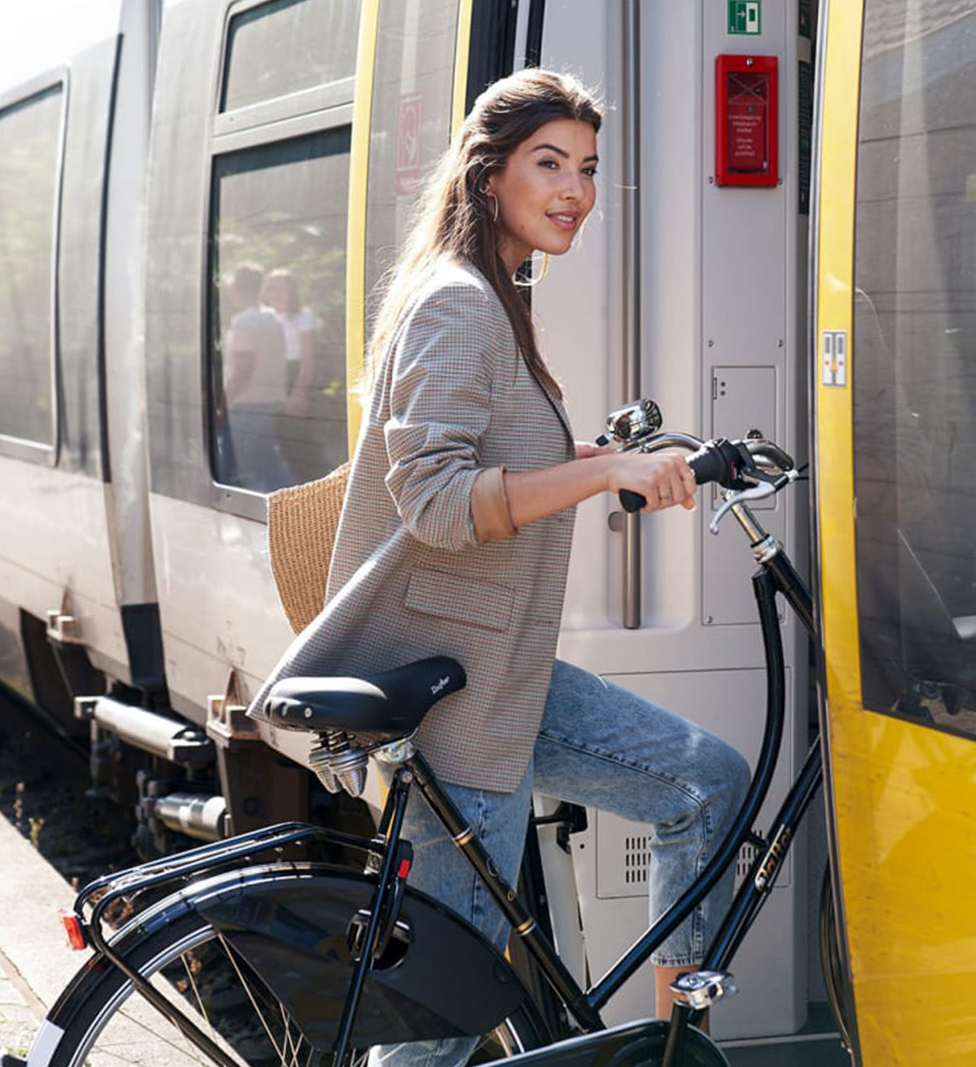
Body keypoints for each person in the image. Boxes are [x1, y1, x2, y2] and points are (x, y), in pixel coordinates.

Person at [249, 69, 750, 1064]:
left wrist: (610, 464)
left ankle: (667, 1048)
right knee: (439, 1022)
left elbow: (488, 467)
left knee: (705, 780)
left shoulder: (490, 294)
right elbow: (436, 501)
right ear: (489, 178)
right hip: (455, 700)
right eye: (548, 164)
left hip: (502, 676)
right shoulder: (458, 302)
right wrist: (605, 466)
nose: (573, 190)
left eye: (589, 169)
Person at [220, 262, 290, 489]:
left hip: (247, 404)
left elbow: (243, 368)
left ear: (236, 289)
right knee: (268, 463)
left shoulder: (244, 321)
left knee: (249, 467)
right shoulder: (273, 319)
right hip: (271, 400)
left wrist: (224, 401)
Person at [261, 267, 321, 418]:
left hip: (293, 375)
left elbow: (308, 360)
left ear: (291, 291)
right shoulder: (264, 317)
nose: (275, 294)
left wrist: (298, 393)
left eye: (281, 289)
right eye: (271, 289)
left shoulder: (304, 318)